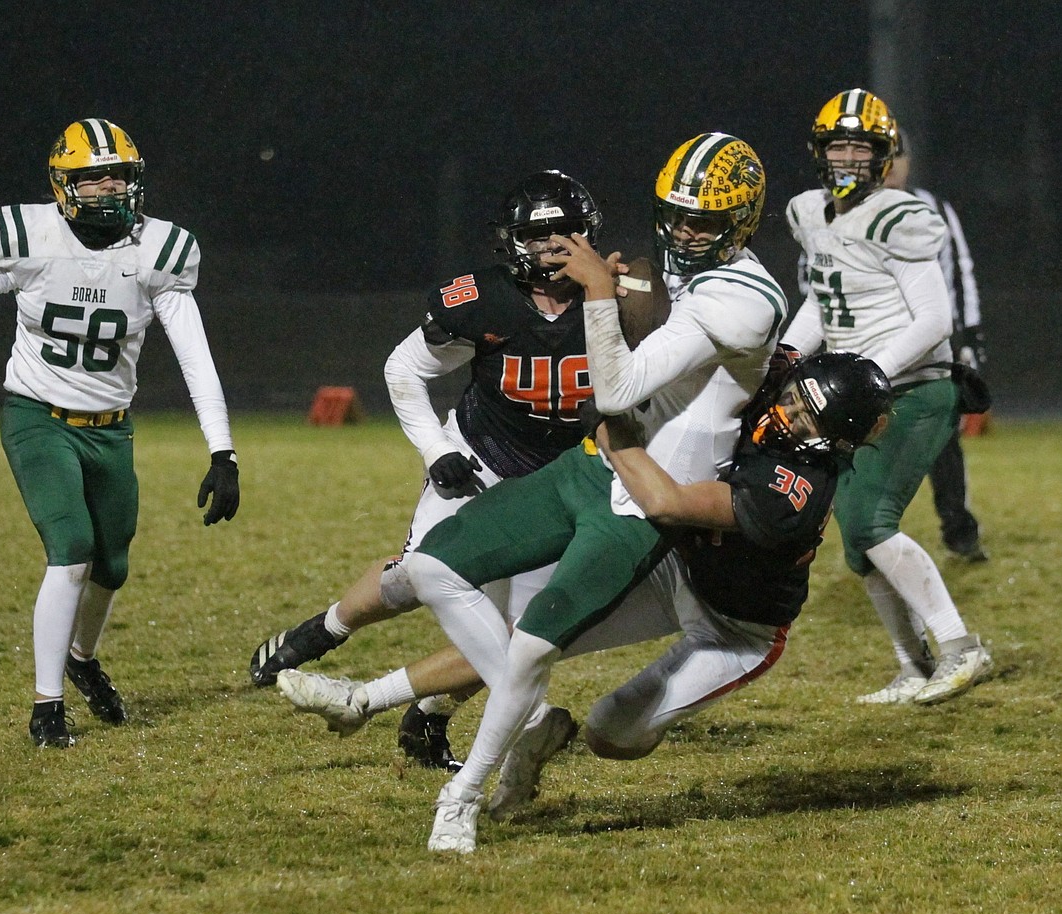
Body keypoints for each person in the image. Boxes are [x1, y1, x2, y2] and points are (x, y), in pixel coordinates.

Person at [344, 132, 786, 853]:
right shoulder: (689, 271)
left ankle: (461, 793)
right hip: (596, 461)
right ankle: (475, 712)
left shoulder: (742, 300)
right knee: (431, 564)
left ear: (741, 221)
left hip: (647, 498)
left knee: (529, 647)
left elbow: (613, 386)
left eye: (701, 220)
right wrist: (623, 292)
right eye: (673, 214)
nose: (680, 232)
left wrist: (605, 294)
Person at [279, 353, 894, 829]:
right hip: (676, 567)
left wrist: (607, 424)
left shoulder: (798, 490)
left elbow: (667, 499)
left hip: (737, 622)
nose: (788, 411)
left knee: (610, 734)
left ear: (834, 438)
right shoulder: (768, 374)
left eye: (808, 416)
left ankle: (538, 734)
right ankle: (361, 700)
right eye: (793, 397)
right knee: (526, 639)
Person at [248, 171, 605, 770]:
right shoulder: (486, 301)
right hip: (483, 459)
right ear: (512, 242)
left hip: (559, 482)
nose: (550, 249)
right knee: (414, 576)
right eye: (535, 236)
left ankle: (428, 716)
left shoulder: (619, 302)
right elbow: (402, 370)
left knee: (516, 637)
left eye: (564, 234)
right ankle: (322, 631)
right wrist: (437, 449)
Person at [0, 118, 240, 748]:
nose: (107, 188)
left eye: (118, 175)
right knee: (71, 547)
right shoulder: (31, 238)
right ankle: (47, 705)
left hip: (111, 429)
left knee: (113, 564)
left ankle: (82, 659)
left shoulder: (158, 251)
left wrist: (222, 450)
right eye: (91, 177)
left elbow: (194, 357)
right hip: (37, 415)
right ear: (63, 186)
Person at [780, 88, 992, 707]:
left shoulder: (900, 216)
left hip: (915, 388)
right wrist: (787, 357)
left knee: (871, 519)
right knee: (855, 536)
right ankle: (914, 665)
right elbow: (825, 300)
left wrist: (872, 370)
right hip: (859, 389)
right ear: (819, 152)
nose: (848, 157)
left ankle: (959, 648)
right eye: (838, 145)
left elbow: (934, 318)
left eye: (860, 146)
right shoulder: (811, 213)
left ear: (883, 155)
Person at [884, 130, 988, 561]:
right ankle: (868, 532)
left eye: (897, 155)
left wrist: (969, 341)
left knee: (943, 440)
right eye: (881, 156)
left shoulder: (933, 208)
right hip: (874, 344)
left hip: (930, 348)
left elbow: (959, 273)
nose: (890, 165)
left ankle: (959, 531)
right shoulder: (845, 212)